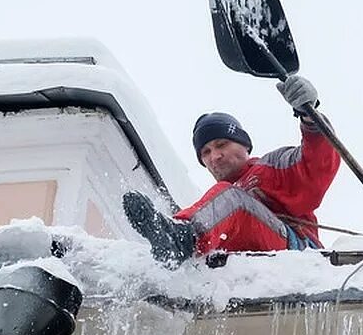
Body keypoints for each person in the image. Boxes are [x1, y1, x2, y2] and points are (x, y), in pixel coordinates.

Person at [123, 75, 340, 265]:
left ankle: (181, 238)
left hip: (296, 252)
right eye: (205, 152)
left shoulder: (270, 167)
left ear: (244, 145)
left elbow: (317, 164)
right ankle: (174, 240)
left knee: (229, 199)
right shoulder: (215, 204)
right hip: (248, 260)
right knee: (220, 202)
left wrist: (310, 117)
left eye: (221, 145)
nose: (214, 157)